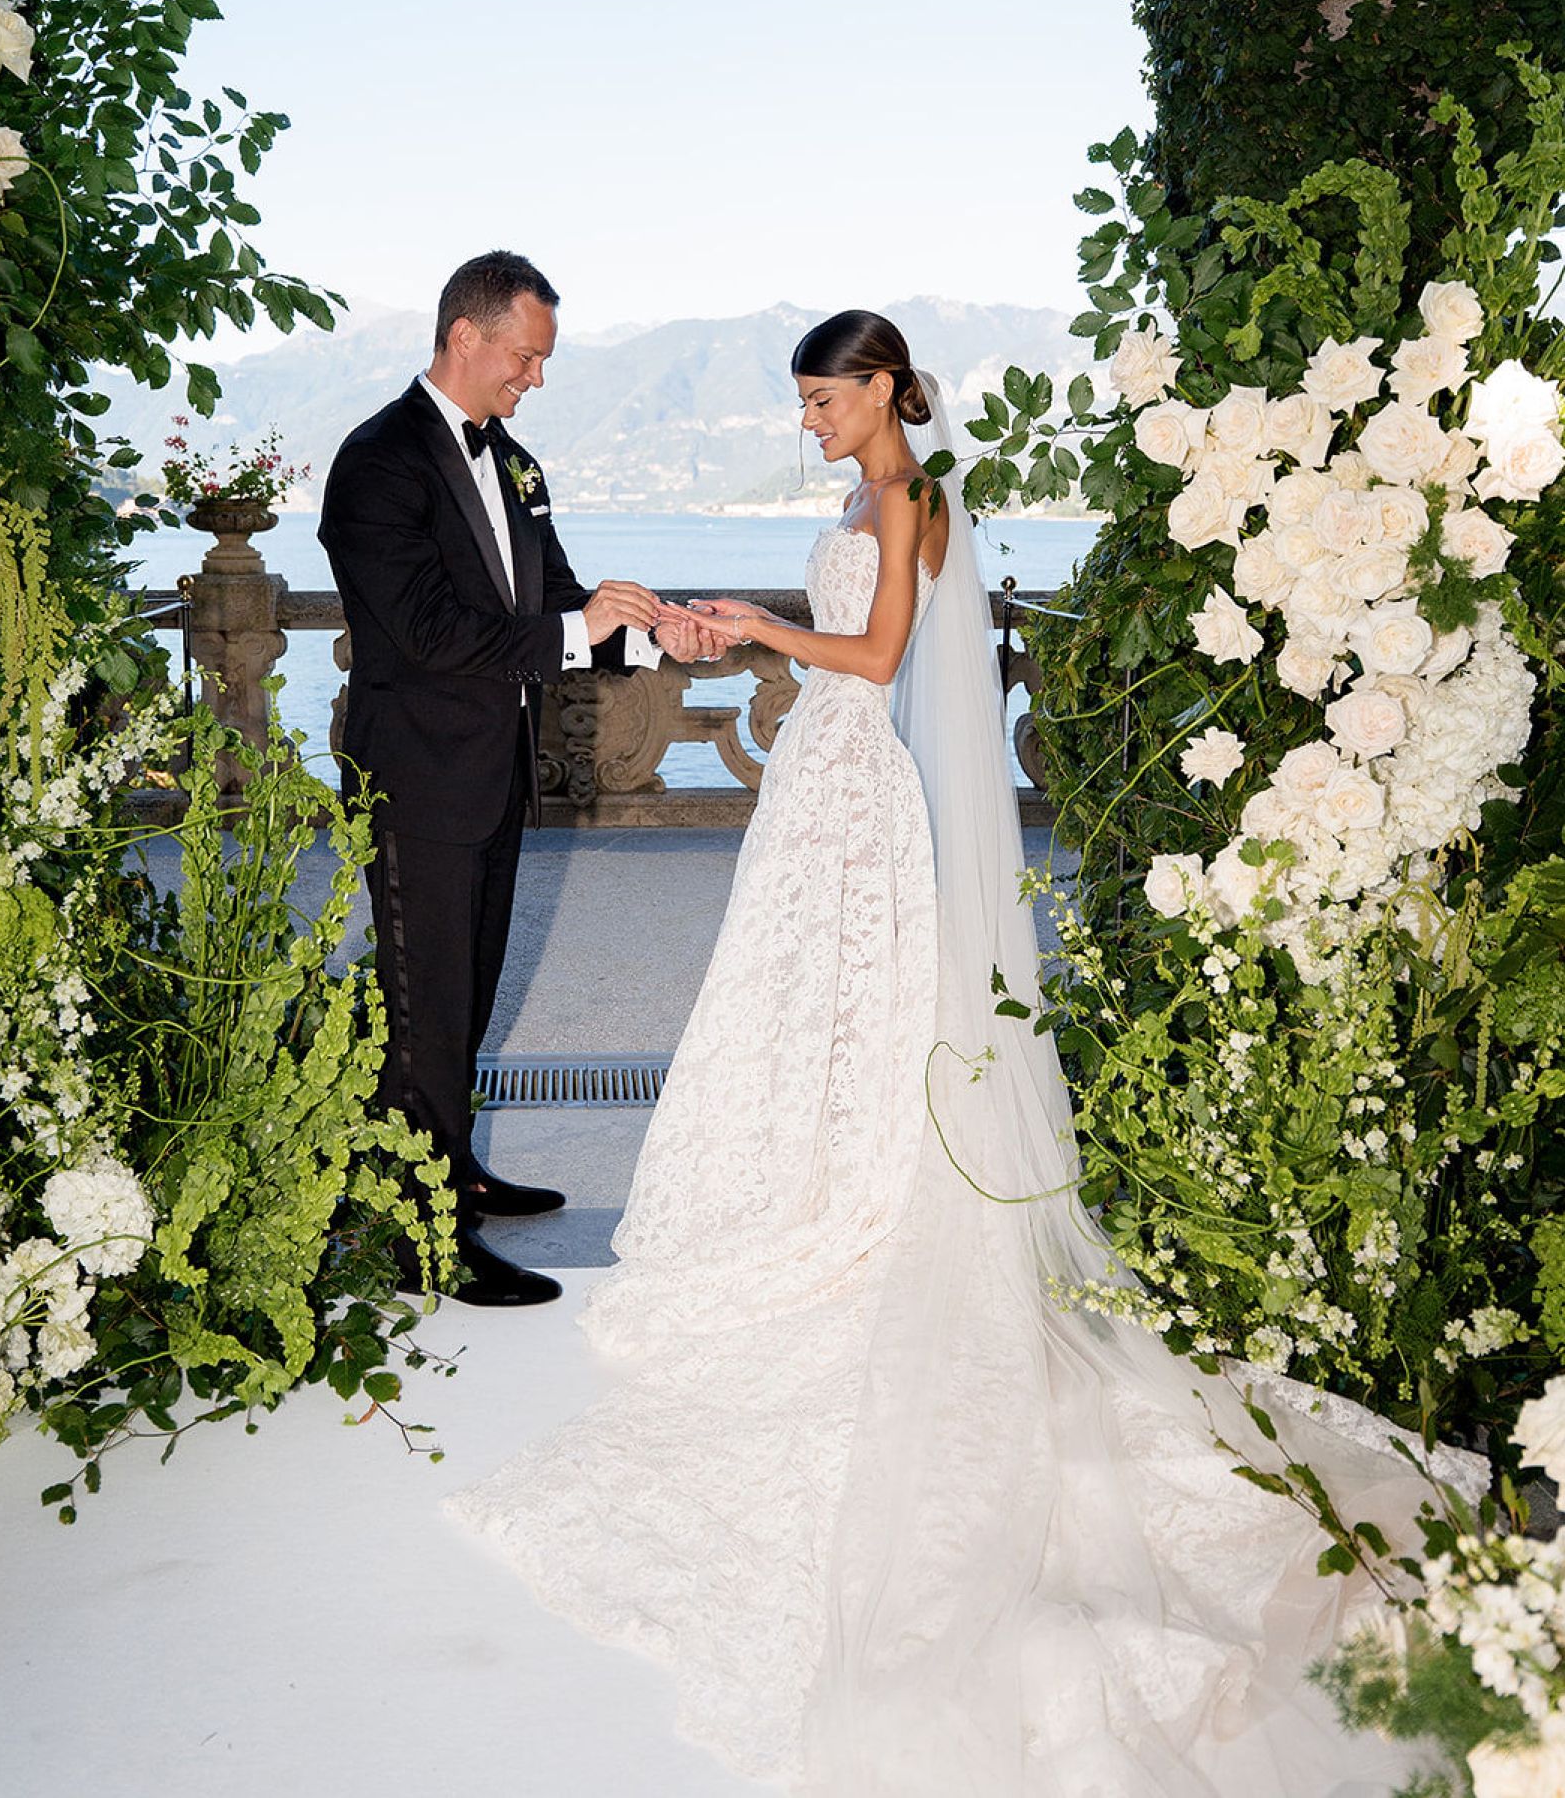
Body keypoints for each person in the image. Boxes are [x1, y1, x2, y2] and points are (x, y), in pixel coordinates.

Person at [450, 309, 1448, 1790]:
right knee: (808, 996)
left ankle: (859, 1197)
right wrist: (732, 625)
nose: (808, 421)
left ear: (880, 388)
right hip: (822, 766)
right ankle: (806, 1180)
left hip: (856, 768)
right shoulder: (866, 496)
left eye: (821, 399)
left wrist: (763, 632)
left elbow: (876, 654)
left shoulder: (913, 495)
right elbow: (843, 650)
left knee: (856, 986)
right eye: (801, 402)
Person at [318, 250, 725, 1309]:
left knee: (467, 989)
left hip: (494, 772)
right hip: (414, 778)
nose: (536, 377)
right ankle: (423, 1234)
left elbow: (553, 602)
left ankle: (454, 1165)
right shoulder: (377, 462)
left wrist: (653, 631)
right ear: (466, 335)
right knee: (424, 1005)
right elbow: (425, 632)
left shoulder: (515, 463)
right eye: (527, 357)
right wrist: (577, 626)